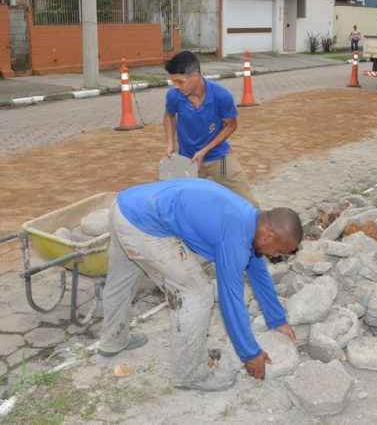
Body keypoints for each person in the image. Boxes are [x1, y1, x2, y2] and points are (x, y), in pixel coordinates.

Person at [98, 178, 302, 391]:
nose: (276, 256)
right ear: (269, 236)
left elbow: (258, 270)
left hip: (125, 206)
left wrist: (276, 319)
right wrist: (250, 354)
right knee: (196, 294)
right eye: (279, 251)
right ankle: (190, 375)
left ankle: (113, 341)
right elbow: (230, 300)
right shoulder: (235, 240)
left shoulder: (251, 219)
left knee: (120, 281)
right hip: (144, 226)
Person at [163, 50, 257, 206]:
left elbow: (231, 125)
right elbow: (169, 115)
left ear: (195, 76)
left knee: (248, 203)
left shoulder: (221, 96)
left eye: (180, 82)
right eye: (174, 82)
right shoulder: (174, 96)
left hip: (219, 158)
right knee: (183, 205)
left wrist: (205, 150)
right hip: (188, 161)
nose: (177, 86)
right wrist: (170, 143)